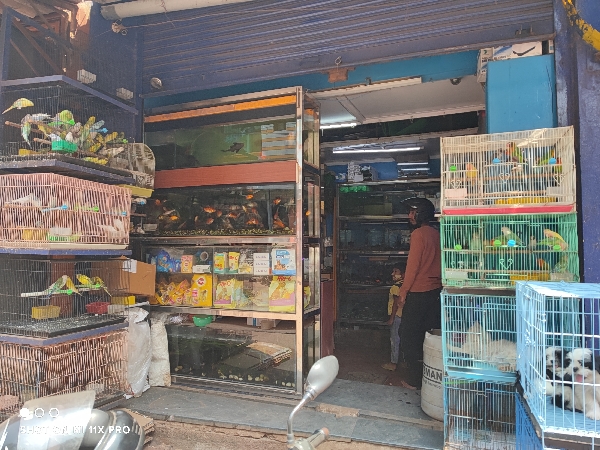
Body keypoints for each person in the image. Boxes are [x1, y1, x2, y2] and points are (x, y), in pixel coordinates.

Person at [395, 197, 442, 390]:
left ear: (421, 214)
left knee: (408, 335)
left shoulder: (418, 235)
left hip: (418, 292)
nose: (409, 216)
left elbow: (413, 267)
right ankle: (429, 378)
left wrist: (403, 292)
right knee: (428, 335)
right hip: (435, 292)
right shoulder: (436, 234)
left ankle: (414, 380)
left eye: (412, 212)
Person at [382, 266, 404, 371]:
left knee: (394, 339)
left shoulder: (396, 287)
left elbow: (396, 303)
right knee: (401, 339)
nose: (393, 274)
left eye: (396, 271)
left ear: (403, 273)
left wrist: (391, 318)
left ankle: (393, 363)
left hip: (396, 316)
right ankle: (402, 361)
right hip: (403, 315)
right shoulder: (405, 285)